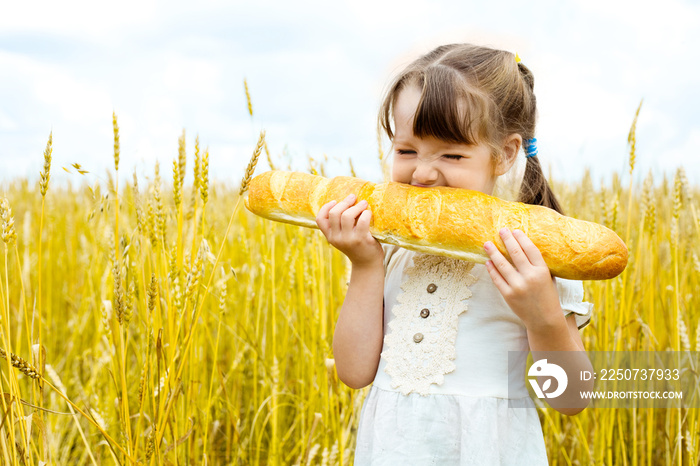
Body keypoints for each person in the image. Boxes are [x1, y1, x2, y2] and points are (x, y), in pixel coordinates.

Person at [315, 43, 594, 465]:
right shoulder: (390, 249)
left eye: (451, 154)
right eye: (407, 150)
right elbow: (354, 373)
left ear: (504, 154)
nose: (422, 173)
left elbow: (572, 398)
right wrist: (365, 264)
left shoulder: (534, 256)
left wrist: (543, 316)